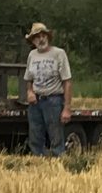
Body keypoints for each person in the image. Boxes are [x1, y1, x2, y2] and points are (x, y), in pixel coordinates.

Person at [21, 22, 73, 157]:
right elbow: (29, 79)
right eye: (37, 37)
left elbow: (67, 81)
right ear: (33, 41)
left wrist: (67, 108)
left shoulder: (59, 54)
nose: (41, 39)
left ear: (48, 37)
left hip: (54, 100)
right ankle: (38, 163)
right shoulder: (32, 55)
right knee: (35, 136)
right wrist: (30, 91)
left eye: (43, 35)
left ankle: (59, 164)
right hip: (35, 102)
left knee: (56, 137)